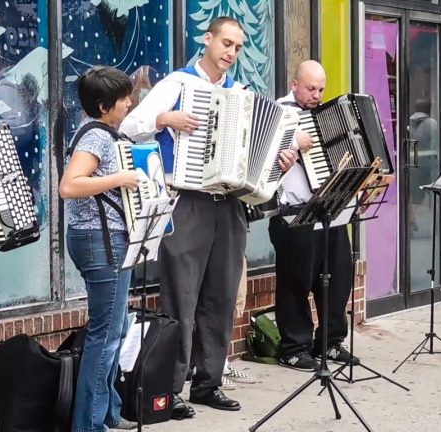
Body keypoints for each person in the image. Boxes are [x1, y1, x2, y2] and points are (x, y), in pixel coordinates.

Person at [120, 16, 297, 417]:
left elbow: (260, 160)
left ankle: (208, 382)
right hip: (186, 201)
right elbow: (130, 126)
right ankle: (172, 386)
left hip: (231, 204)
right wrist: (166, 119)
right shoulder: (177, 84)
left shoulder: (243, 95)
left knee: (219, 297)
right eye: (226, 43)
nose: (231, 53)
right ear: (208, 39)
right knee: (180, 297)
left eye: (237, 47)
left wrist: (279, 164)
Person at [59, 65, 139, 432]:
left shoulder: (105, 134)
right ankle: (89, 424)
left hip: (103, 240)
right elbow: (70, 185)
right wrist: (119, 178)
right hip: (99, 241)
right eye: (124, 98)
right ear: (105, 105)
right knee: (105, 334)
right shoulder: (98, 139)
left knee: (116, 327)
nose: (130, 102)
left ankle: (107, 411)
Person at [269, 60, 358, 372]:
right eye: (310, 88)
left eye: (321, 89)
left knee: (338, 276)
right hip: (292, 213)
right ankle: (294, 346)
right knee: (296, 281)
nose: (316, 95)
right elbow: (262, 147)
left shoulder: (327, 114)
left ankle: (330, 342)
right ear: (295, 84)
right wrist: (294, 140)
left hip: (329, 210)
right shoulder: (278, 111)